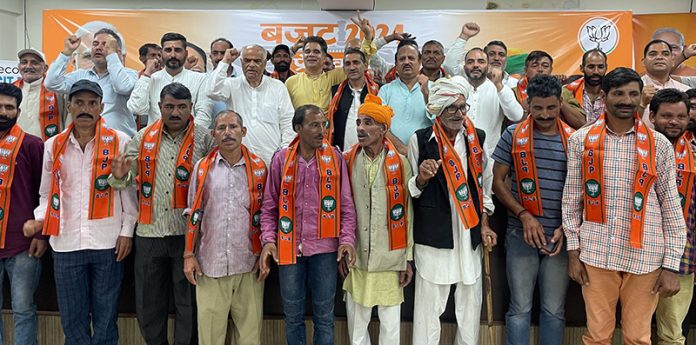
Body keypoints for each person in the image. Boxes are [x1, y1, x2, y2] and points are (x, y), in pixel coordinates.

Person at [562, 67, 686, 345]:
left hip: (646, 256)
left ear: (642, 98)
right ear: (604, 96)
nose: (626, 100)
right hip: (596, 253)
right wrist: (573, 251)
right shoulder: (581, 140)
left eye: (633, 94)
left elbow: (670, 207)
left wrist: (671, 265)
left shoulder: (659, 144)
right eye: (618, 93)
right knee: (597, 336)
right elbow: (571, 200)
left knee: (638, 337)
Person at [25, 80, 136, 344]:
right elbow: (45, 192)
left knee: (106, 317)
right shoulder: (53, 145)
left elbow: (129, 191)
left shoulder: (119, 141)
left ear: (101, 107)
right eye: (79, 102)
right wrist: (39, 222)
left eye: (91, 103)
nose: (85, 109)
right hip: (65, 243)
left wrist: (127, 232)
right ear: (70, 106)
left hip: (107, 242)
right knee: (72, 320)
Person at [110, 83, 213, 345]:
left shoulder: (204, 138)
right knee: (148, 304)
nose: (175, 112)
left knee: (187, 303)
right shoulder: (143, 137)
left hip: (187, 237)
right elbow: (124, 178)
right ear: (160, 108)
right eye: (169, 106)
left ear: (191, 107)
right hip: (149, 232)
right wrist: (120, 175)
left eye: (181, 107)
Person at [407, 76, 496, 345]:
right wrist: (421, 178)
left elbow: (485, 186)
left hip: (469, 233)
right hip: (435, 234)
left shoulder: (476, 138)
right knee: (427, 308)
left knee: (470, 306)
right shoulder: (421, 140)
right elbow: (411, 190)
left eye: (462, 107)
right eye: (452, 109)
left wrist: (484, 224)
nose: (458, 114)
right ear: (437, 110)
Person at [259, 104, 356, 345]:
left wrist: (346, 240)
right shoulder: (281, 160)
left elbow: (346, 204)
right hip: (288, 248)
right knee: (292, 316)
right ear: (298, 128)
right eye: (314, 125)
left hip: (325, 250)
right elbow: (269, 206)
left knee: (325, 317)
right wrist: (269, 241)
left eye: (323, 124)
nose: (321, 130)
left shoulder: (335, 158)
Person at [491, 75, 574, 345]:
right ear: (528, 104)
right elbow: (498, 181)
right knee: (519, 309)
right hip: (520, 234)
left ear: (561, 103)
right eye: (538, 108)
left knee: (554, 310)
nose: (545, 114)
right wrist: (523, 215)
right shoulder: (513, 134)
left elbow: (582, 190)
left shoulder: (575, 139)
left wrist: (567, 227)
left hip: (560, 239)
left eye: (551, 108)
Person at [183, 110, 267, 345]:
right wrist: (188, 254)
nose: (228, 133)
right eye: (221, 128)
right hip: (210, 266)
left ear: (244, 131)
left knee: (249, 337)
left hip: (249, 264)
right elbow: (193, 214)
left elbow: (266, 215)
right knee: (210, 338)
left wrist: (264, 254)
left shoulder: (260, 168)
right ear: (213, 134)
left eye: (233, 127)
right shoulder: (202, 168)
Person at [341, 94, 414, 344]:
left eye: (368, 122)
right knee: (356, 326)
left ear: (383, 129)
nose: (361, 128)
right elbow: (342, 208)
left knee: (390, 327)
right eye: (359, 122)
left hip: (391, 257)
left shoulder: (401, 163)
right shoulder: (347, 160)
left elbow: (408, 214)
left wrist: (407, 259)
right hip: (357, 257)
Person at [647, 88, 696, 345]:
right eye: (667, 116)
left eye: (681, 116)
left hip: (683, 256)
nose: (674, 122)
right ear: (652, 116)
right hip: (640, 253)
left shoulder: (694, 154)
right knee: (636, 329)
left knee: (672, 333)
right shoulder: (637, 148)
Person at [0, 83, 46, 345]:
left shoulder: (32, 145)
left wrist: (42, 234)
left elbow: (46, 192)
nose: (3, 112)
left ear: (18, 111)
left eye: (9, 107)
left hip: (23, 245)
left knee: (23, 310)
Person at [208, 45, 294, 165]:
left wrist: (284, 153)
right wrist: (225, 61)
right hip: (239, 161)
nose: (252, 65)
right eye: (247, 61)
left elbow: (288, 123)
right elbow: (212, 91)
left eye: (257, 61)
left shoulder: (277, 86)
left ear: (264, 63)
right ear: (242, 62)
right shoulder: (232, 84)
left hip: (272, 160)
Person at [44, 29, 138, 137]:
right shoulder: (80, 75)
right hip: (87, 144)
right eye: (95, 44)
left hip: (120, 144)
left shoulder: (130, 75)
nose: (98, 47)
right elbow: (51, 83)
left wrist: (112, 55)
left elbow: (122, 87)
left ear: (118, 52)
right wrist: (67, 52)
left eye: (105, 44)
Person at [127, 32, 212, 128]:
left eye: (177, 50)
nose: (172, 55)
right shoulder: (151, 78)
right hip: (156, 139)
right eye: (168, 50)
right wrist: (147, 74)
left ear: (186, 53)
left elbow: (204, 117)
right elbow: (136, 108)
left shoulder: (200, 79)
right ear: (161, 53)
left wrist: (188, 138)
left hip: (189, 139)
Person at [461, 47, 523, 169]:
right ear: (464, 68)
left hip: (489, 156)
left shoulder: (500, 88)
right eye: (470, 62)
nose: (475, 65)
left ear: (488, 66)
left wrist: (499, 85)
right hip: (460, 154)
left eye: (481, 61)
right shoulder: (458, 88)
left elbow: (516, 116)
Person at [377, 39, 431, 154]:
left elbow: (440, 121)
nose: (406, 62)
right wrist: (401, 148)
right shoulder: (385, 90)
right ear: (396, 64)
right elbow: (379, 124)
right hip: (392, 154)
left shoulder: (434, 88)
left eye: (411, 58)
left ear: (420, 61)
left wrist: (426, 94)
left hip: (426, 154)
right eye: (402, 59)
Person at [513, 51, 586, 128]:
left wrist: (558, 99)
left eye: (545, 66)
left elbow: (581, 123)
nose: (540, 69)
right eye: (534, 66)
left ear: (551, 70)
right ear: (525, 70)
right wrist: (525, 108)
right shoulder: (514, 93)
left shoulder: (563, 92)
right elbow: (510, 126)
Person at [327, 48, 379, 151]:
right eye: (347, 64)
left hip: (371, 153)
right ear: (344, 69)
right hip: (341, 154)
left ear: (365, 65)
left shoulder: (378, 90)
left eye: (356, 63)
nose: (352, 67)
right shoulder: (335, 91)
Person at [14, 48, 65, 140]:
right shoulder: (11, 91)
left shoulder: (58, 91)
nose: (28, 66)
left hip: (47, 150)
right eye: (24, 62)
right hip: (15, 150)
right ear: (19, 67)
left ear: (45, 68)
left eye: (35, 63)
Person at [284, 36, 347, 111]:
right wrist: (293, 50)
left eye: (316, 52)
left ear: (324, 57)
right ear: (303, 55)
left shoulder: (334, 77)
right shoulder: (291, 82)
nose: (311, 54)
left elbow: (360, 62)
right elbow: (284, 112)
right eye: (307, 52)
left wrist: (365, 34)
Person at [639, 39, 689, 126]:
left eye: (665, 54)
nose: (659, 57)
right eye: (653, 54)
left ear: (672, 61)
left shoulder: (686, 91)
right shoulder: (634, 90)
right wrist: (641, 103)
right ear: (644, 62)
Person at [565, 49, 608, 123]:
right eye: (591, 67)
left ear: (606, 68)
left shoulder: (614, 92)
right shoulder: (568, 91)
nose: (596, 71)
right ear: (582, 68)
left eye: (600, 67)